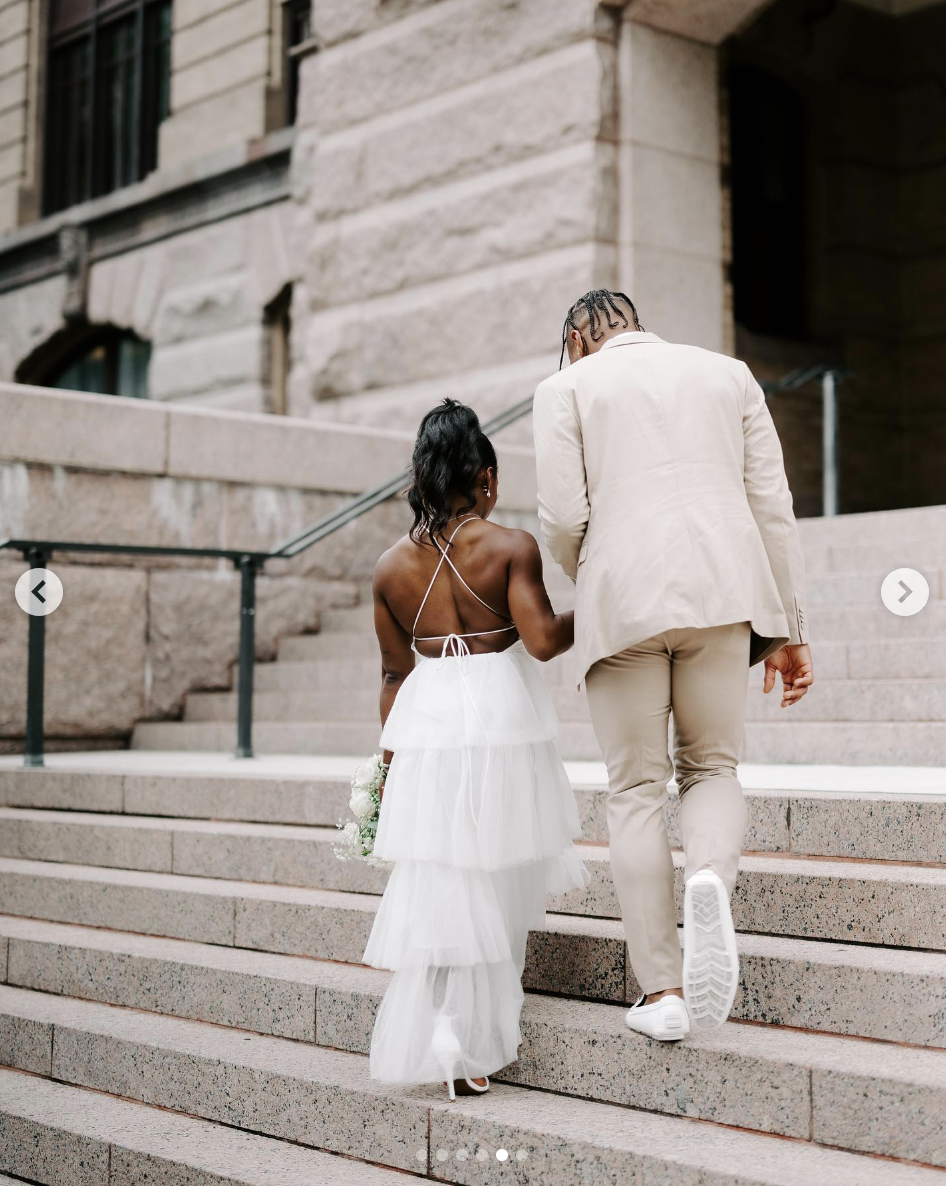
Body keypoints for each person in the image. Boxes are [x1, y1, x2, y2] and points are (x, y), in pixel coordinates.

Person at [532, 290, 813, 1042]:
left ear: (577, 337)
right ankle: (710, 879)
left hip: (621, 601)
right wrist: (787, 627)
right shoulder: (729, 373)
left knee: (633, 789)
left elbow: (561, 517)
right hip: (724, 595)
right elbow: (771, 506)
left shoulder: (564, 388)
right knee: (713, 769)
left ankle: (662, 993)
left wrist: (593, 574)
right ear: (637, 321)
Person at [362, 398, 589, 1098]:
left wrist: (388, 763)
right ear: (484, 477)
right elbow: (545, 641)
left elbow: (395, 674)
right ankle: (474, 1042)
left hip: (425, 724)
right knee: (490, 872)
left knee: (444, 874)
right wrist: (606, 601)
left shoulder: (388, 568)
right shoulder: (510, 547)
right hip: (499, 721)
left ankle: (442, 1024)